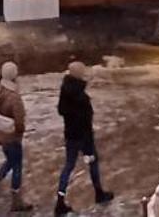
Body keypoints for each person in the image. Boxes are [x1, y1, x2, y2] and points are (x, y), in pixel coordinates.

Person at [54, 61, 112, 215]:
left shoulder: (65, 90)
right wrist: (87, 145)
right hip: (83, 137)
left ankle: (59, 201)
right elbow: (86, 120)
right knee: (93, 163)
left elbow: (61, 110)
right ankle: (99, 193)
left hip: (70, 135)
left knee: (68, 166)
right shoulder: (81, 96)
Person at [0, 60, 32, 212]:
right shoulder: (14, 97)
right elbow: (19, 122)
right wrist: (19, 134)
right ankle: (16, 201)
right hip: (12, 138)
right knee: (17, 166)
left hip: (1, 134)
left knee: (9, 161)